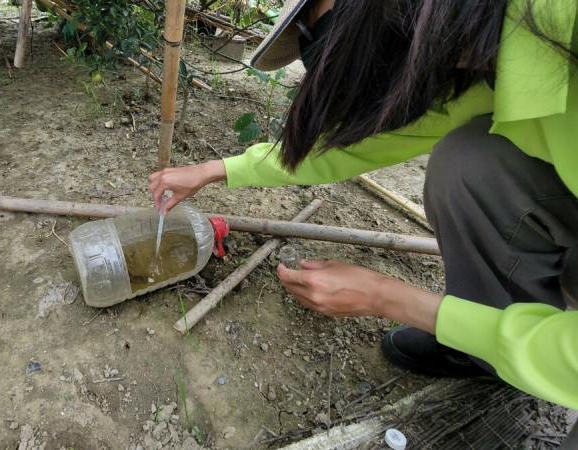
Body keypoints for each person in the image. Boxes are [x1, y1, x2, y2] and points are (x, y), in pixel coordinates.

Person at [148, 0, 578, 412]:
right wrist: (216, 169)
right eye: (312, 39)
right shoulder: (470, 61)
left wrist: (389, 297)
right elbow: (344, 150)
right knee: (468, 162)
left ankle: (492, 339)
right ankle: (484, 346)